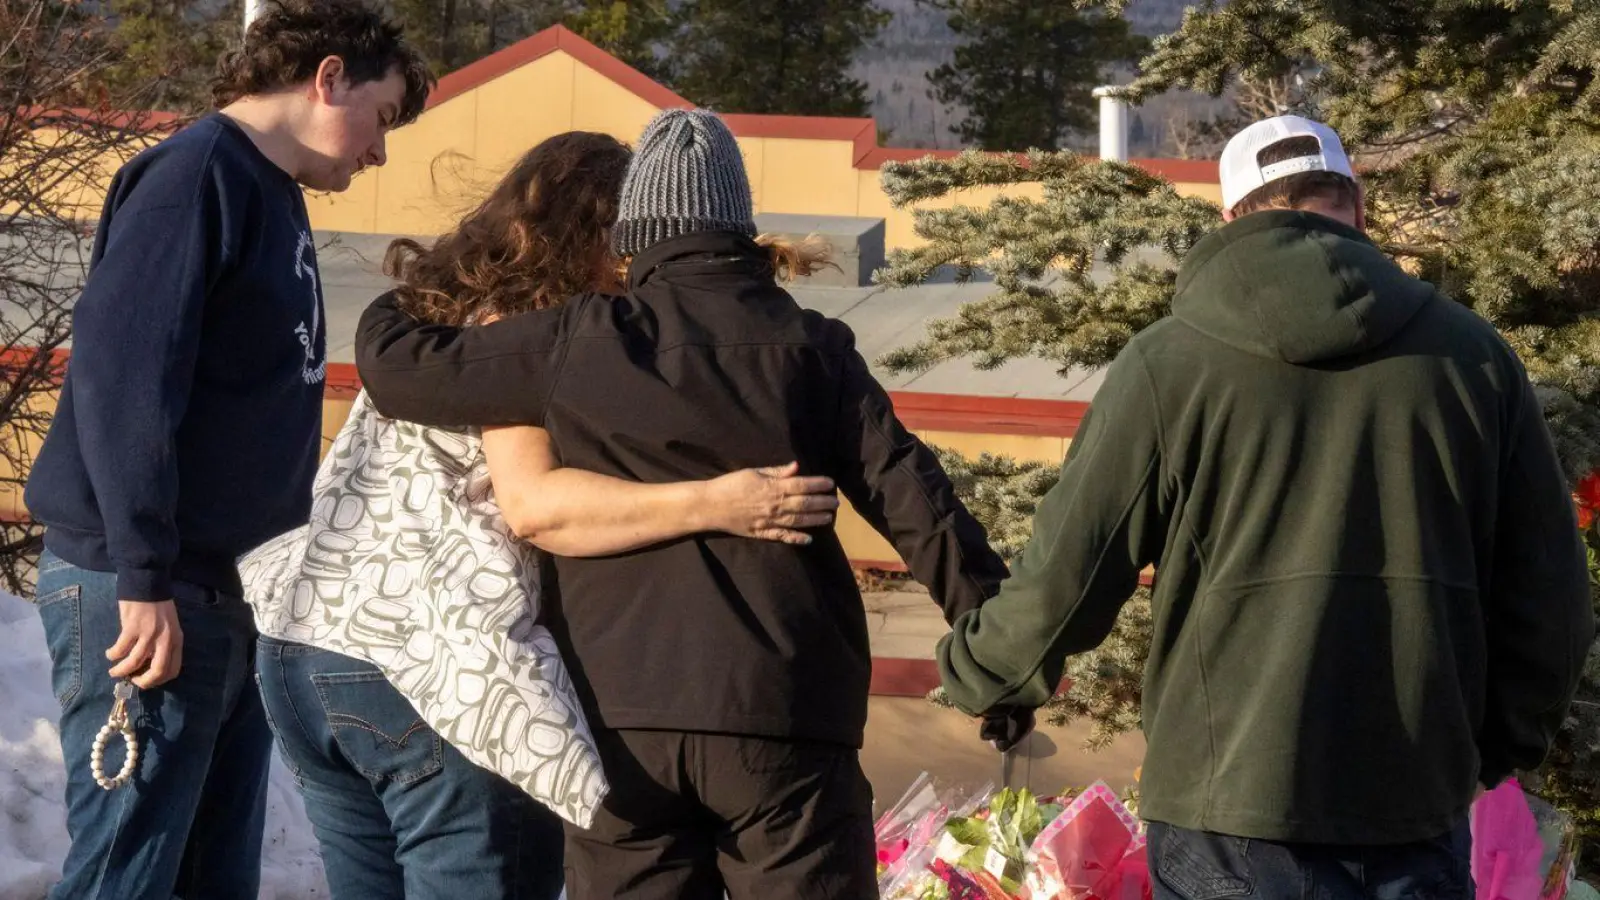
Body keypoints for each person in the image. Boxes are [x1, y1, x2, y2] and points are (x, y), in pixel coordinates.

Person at [353, 107, 1021, 900]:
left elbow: (393, 368)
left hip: (621, 718)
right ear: (740, 226)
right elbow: (922, 508)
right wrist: (1004, 666)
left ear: (635, 230)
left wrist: (453, 269)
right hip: (787, 718)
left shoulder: (574, 339)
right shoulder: (812, 349)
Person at [935, 114, 1598, 898]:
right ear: (1356, 207)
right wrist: (1490, 749)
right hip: (1413, 802)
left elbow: (1069, 580)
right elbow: (1551, 599)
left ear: (1231, 221)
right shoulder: (1474, 358)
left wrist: (979, 673)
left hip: (1230, 813)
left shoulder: (1170, 363)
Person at [242, 130, 842, 900]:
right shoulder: (529, 335)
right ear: (591, 234)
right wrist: (722, 501)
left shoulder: (438, 316)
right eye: (627, 240)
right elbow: (535, 507)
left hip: (304, 644)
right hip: (428, 666)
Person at [23, 2, 432, 897]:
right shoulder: (193, 179)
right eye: (384, 118)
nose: (379, 152)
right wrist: (142, 574)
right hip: (151, 592)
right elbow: (125, 379)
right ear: (329, 77)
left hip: (226, 588)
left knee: (212, 873)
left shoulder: (269, 192)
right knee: (125, 873)